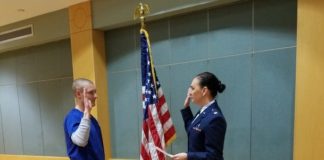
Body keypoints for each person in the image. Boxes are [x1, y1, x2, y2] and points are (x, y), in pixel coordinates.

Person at [173, 72, 227, 160]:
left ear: (204, 91)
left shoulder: (215, 119)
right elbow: (193, 131)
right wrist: (186, 108)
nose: (189, 92)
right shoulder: (204, 111)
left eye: (192, 88)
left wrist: (188, 156)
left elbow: (214, 156)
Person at [64, 78, 105, 160]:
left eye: (95, 92)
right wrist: (87, 112)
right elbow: (80, 141)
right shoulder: (73, 116)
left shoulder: (91, 119)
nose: (96, 96)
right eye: (91, 92)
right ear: (79, 94)